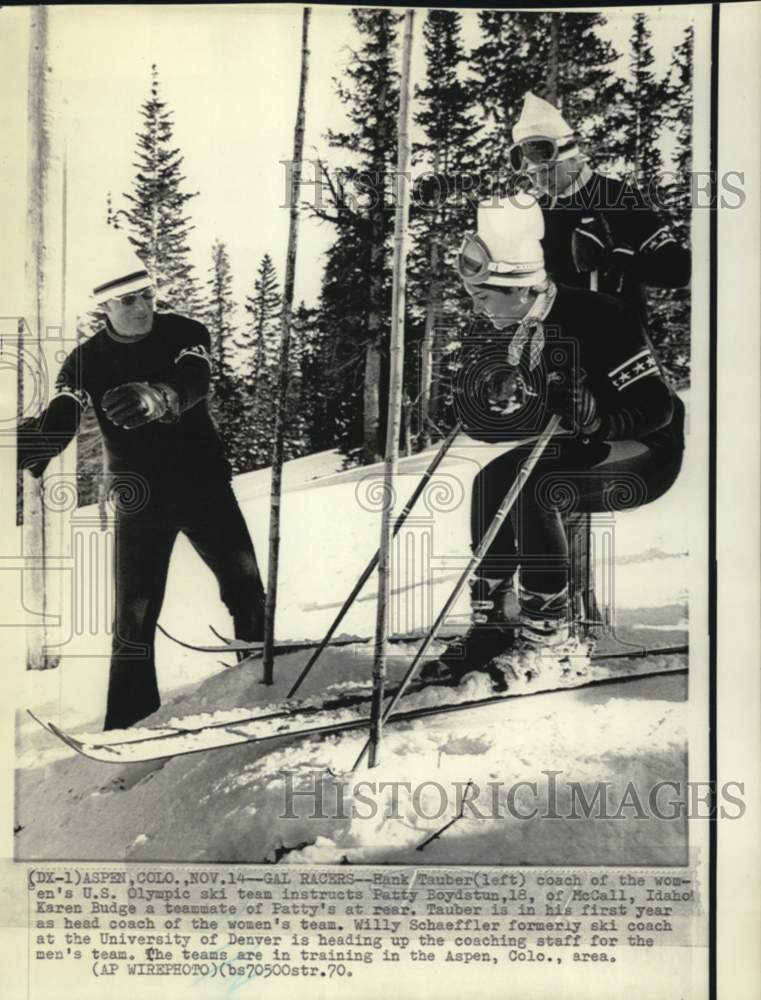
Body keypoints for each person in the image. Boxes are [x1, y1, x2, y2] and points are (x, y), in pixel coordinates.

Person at [430, 196, 685, 685]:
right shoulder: (521, 327)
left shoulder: (600, 315)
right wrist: (484, 408)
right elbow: (518, 418)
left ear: (520, 288)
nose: (479, 309)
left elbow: (659, 408)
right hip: (586, 444)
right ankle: (496, 623)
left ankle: (552, 639)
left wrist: (597, 419)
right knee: (491, 481)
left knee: (541, 486)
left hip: (647, 450)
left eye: (484, 297)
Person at [17, 238, 266, 730]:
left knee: (245, 590)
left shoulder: (185, 332)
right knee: (132, 619)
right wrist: (38, 444)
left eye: (148, 295)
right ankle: (130, 724)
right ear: (104, 306)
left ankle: (260, 683)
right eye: (128, 300)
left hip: (204, 486)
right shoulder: (85, 359)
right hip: (140, 498)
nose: (142, 307)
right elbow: (64, 412)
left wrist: (161, 395)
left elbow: (194, 379)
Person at [507, 92, 691, 317]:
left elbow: (679, 270)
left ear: (574, 157)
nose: (541, 180)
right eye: (532, 175)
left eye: (548, 169)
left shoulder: (618, 197)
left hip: (616, 339)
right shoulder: (541, 212)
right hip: (564, 342)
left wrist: (617, 262)